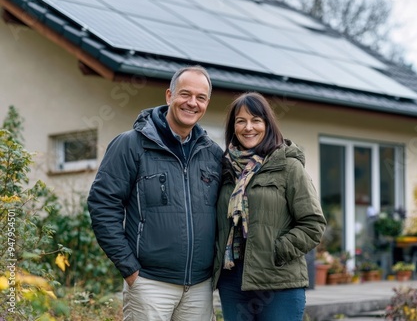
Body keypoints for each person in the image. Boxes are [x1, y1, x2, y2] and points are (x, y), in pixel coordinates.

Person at [87, 65, 223, 320]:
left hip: (200, 288)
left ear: (206, 103)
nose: (192, 103)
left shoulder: (212, 153)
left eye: (200, 97)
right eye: (185, 94)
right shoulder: (131, 144)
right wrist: (130, 270)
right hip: (149, 285)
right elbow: (103, 205)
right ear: (169, 96)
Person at [213, 92, 326, 321]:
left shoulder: (288, 167)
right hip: (234, 282)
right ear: (233, 127)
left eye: (256, 120)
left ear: (268, 124)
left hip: (279, 282)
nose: (248, 127)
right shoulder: (225, 170)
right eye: (241, 121)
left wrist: (277, 251)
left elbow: (313, 224)